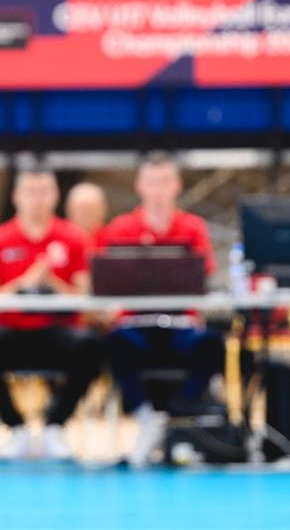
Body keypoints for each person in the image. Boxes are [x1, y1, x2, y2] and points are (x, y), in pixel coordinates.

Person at [96, 152, 224, 467]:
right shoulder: (121, 227)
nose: (158, 190)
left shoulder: (192, 227)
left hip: (180, 325)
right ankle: (145, 417)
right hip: (135, 325)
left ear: (176, 185)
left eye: (164, 182)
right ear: (140, 186)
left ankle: (176, 416)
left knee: (211, 344)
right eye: (152, 182)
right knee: (114, 344)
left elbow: (204, 278)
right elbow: (108, 282)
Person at [0, 168, 104, 461]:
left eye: (44, 192)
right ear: (16, 196)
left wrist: (53, 283)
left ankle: (56, 425)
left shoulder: (74, 239)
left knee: (91, 344)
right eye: (31, 192)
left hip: (57, 333)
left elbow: (88, 303)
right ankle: (15, 426)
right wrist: (23, 284)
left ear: (55, 196)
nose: (37, 200)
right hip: (9, 333)